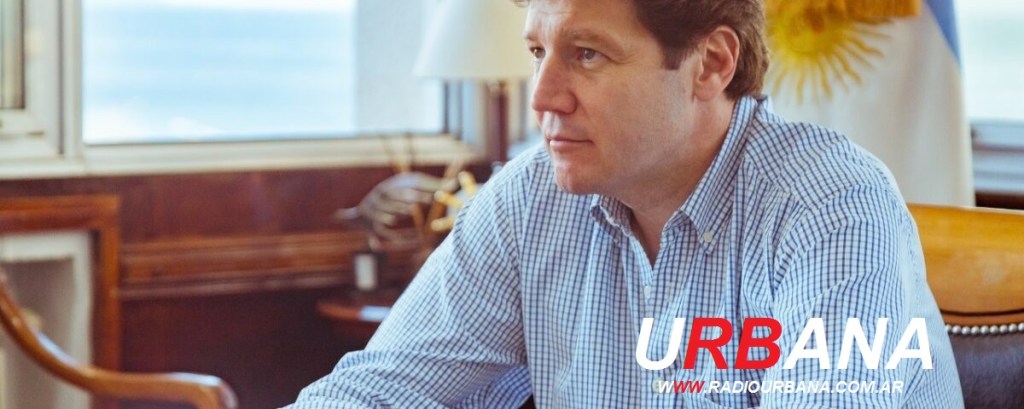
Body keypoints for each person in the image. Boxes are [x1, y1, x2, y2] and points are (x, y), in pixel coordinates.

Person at [287, 0, 964, 407]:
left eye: (587, 54)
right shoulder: (529, 200)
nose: (542, 97)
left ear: (711, 64)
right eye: (538, 51)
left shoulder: (833, 206)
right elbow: (377, 389)